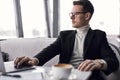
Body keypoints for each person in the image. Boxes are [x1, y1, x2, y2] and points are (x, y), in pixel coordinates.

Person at [14, 0, 119, 80]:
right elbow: (49, 51)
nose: (71, 17)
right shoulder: (64, 35)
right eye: (71, 14)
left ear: (87, 16)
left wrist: (99, 63)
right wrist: (34, 60)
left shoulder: (98, 35)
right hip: (64, 76)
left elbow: (113, 61)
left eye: (75, 14)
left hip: (87, 77)